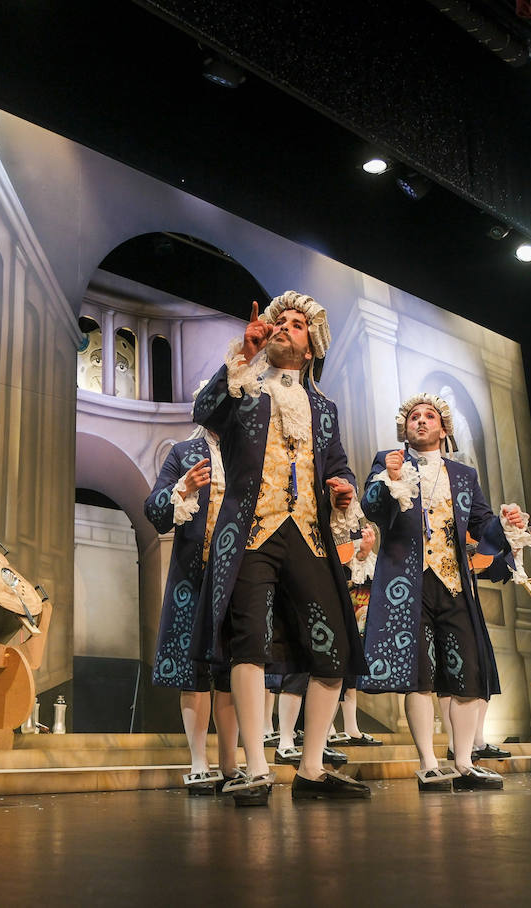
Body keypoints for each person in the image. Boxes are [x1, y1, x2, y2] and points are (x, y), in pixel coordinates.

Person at [192, 292, 369, 804]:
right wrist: (243, 355)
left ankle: (311, 768)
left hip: (308, 534)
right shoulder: (244, 388)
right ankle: (254, 766)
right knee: (248, 642)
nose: (285, 328)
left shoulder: (325, 408)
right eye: (279, 322)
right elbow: (204, 410)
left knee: (332, 648)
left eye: (296, 325)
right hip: (253, 530)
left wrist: (343, 489)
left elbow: (336, 462)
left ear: (310, 347)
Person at [360, 393, 526, 791]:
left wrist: (506, 523)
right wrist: (390, 480)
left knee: (465, 671)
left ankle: (464, 761)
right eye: (414, 416)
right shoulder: (389, 460)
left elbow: (481, 524)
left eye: (429, 416)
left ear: (443, 427)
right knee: (419, 675)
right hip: (406, 583)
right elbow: (371, 507)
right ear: (405, 426)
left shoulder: (464, 474)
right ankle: (429, 762)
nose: (421, 421)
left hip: (453, 582)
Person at [143, 414, 240, 793]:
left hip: (236, 574)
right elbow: (154, 510)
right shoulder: (183, 452)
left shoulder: (245, 454)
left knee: (231, 670)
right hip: (193, 575)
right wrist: (182, 488)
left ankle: (231, 763)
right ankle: (199, 760)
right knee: (194, 668)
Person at [337, 525, 382, 747]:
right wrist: (360, 554)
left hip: (358, 625)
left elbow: (369, 578)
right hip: (337, 622)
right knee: (331, 677)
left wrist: (364, 554)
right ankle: (326, 730)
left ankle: (351, 728)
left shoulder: (368, 562)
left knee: (350, 679)